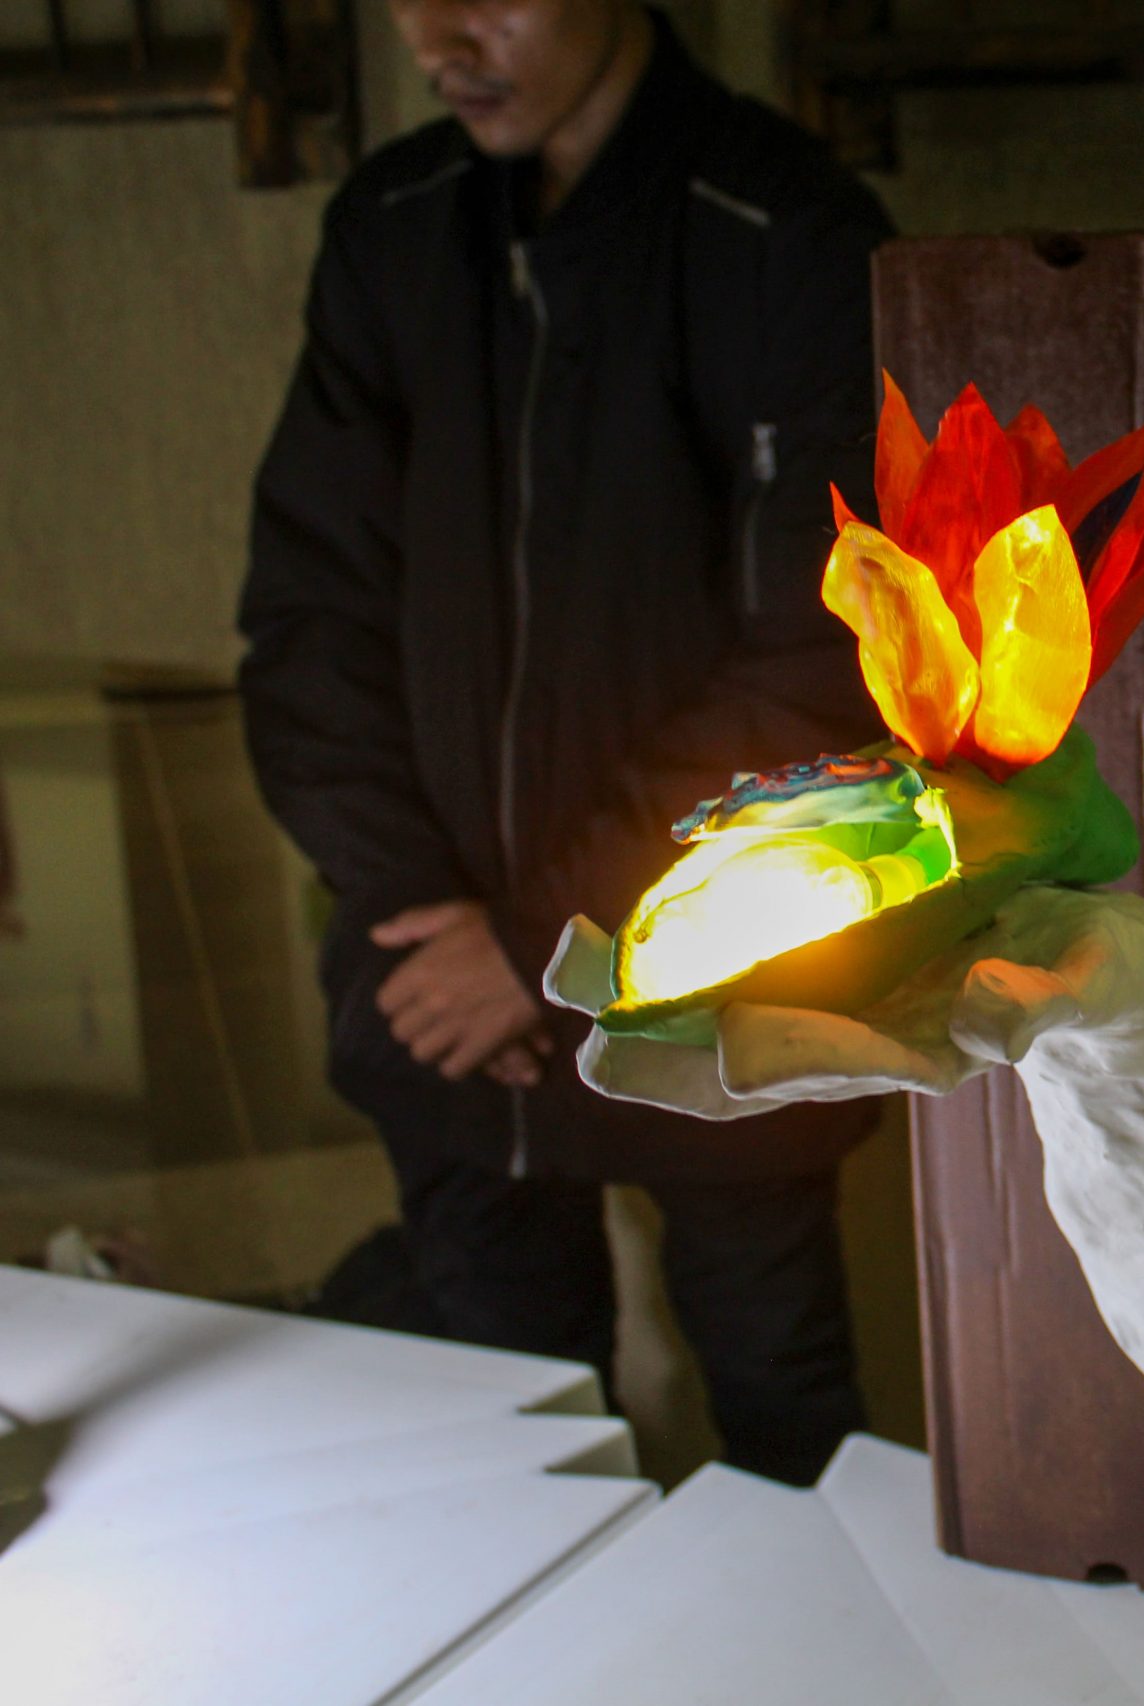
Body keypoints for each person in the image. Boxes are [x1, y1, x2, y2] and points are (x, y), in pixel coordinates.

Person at [237, 0, 893, 1486]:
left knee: (792, 1442)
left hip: (727, 990)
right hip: (441, 993)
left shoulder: (785, 231)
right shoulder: (396, 227)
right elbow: (308, 618)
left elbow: (829, 674)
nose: (438, 39)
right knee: (503, 1462)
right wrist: (425, 914)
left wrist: (547, 936)